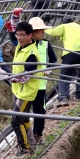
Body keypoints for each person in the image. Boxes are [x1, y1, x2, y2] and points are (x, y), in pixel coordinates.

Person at [45, 17, 80, 106]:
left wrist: (44, 27)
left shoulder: (64, 26)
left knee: (64, 76)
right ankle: (79, 95)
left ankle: (64, 97)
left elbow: (53, 32)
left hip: (70, 54)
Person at [9, 21, 42, 159]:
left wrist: (10, 78)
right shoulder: (21, 47)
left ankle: (25, 149)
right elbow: (12, 28)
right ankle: (31, 144)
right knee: (24, 119)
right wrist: (15, 17)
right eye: (17, 34)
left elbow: (27, 76)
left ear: (30, 35)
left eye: (22, 35)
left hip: (26, 93)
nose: (19, 37)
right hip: (18, 92)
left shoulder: (32, 53)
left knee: (16, 121)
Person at [27, 16, 58, 145]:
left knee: (40, 111)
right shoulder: (24, 45)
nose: (43, 32)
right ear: (33, 33)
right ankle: (26, 139)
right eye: (41, 30)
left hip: (40, 84)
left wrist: (49, 69)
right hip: (27, 86)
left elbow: (53, 60)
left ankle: (37, 135)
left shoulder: (45, 44)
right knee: (23, 114)